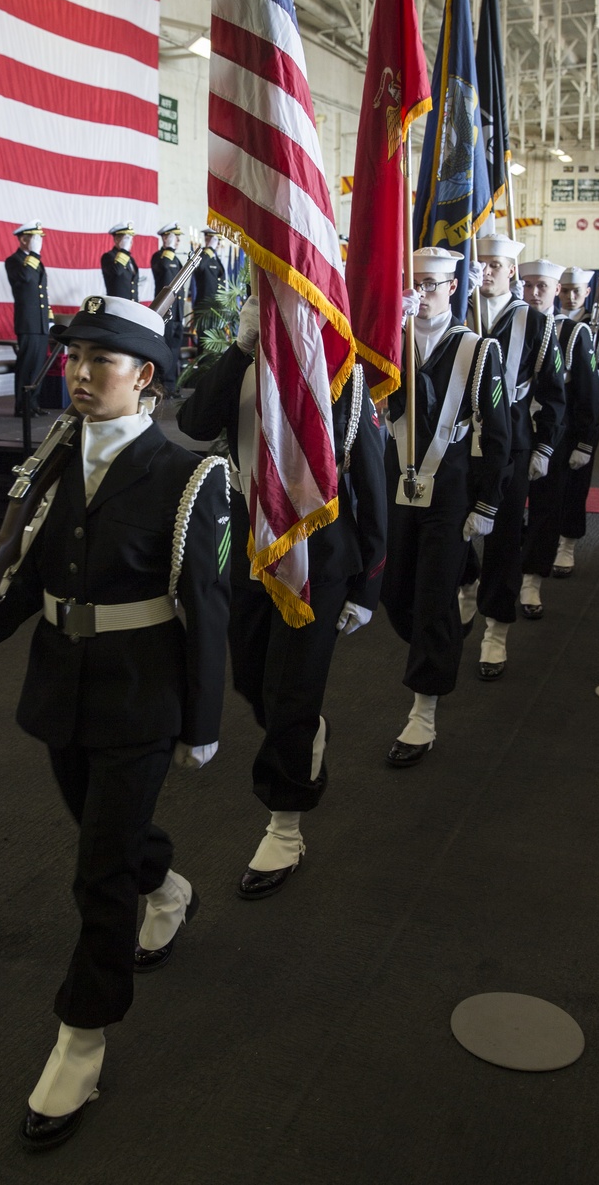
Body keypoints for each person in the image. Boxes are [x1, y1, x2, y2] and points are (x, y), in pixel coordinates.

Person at [0, 295, 230, 1152]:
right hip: (61, 689)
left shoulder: (189, 476)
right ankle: (165, 883)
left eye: (102, 362)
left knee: (96, 872)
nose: (81, 375)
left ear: (147, 378)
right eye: (76, 358)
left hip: (142, 696)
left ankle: (81, 1034)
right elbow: (22, 578)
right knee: (103, 833)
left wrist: (203, 717)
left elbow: (205, 601)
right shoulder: (53, 460)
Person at [177, 294, 388, 892]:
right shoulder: (243, 368)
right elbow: (193, 425)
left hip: (319, 565)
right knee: (252, 680)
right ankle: (303, 730)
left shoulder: (343, 380)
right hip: (249, 552)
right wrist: (241, 349)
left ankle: (284, 826)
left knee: (292, 693)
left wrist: (367, 587)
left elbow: (372, 482)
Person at [382, 248, 511, 765]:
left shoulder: (479, 349)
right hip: (399, 487)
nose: (424, 292)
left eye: (434, 283)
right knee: (395, 595)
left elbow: (495, 433)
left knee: (433, 595)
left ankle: (423, 711)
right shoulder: (390, 343)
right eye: (415, 283)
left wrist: (486, 502)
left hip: (450, 489)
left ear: (454, 287)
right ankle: (448, 622)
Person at [458, 236, 566, 679]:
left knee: (503, 536)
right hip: (456, 442)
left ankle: (497, 628)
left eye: (495, 265)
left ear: (511, 272)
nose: (485, 271)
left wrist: (544, 445)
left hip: (511, 443)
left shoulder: (533, 322)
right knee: (452, 525)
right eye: (479, 264)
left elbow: (554, 392)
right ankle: (467, 584)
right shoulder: (456, 314)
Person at [518, 260, 599, 618]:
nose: (534, 294)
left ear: (555, 291)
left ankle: (531, 580)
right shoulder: (511, 326)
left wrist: (585, 442)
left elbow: (588, 394)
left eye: (543, 287)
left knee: (546, 510)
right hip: (514, 434)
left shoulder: (572, 333)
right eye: (528, 285)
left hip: (556, 436)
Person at [555, 266, 599, 576]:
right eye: (565, 290)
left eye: (576, 291)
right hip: (552, 414)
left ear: (587, 292)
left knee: (576, 484)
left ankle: (568, 543)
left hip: (583, 416)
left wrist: (592, 378)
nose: (570, 296)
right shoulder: (547, 322)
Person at [5, 221, 50, 416]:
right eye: (35, 237)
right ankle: (22, 406)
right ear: (24, 239)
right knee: (26, 365)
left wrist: (49, 318)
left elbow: (42, 292)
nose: (39, 242)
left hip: (39, 321)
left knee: (38, 365)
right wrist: (33, 254)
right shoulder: (14, 260)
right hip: (27, 321)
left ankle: (33, 403)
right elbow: (26, 278)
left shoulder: (36, 261)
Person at [150, 222, 185, 396]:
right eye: (174, 237)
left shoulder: (175, 259)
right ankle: (162, 385)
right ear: (165, 237)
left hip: (177, 312)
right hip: (165, 312)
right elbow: (163, 271)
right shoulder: (160, 257)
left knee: (174, 349)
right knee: (165, 348)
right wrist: (168, 247)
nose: (178, 241)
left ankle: (171, 385)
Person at [191, 229, 226, 335]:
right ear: (207, 239)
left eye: (219, 240)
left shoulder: (215, 259)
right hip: (204, 308)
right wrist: (209, 248)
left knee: (214, 341)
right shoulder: (201, 256)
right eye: (215, 240)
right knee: (204, 340)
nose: (218, 243)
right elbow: (199, 267)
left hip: (216, 307)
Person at [100, 223, 139, 300]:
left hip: (132, 304)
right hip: (117, 305)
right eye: (127, 238)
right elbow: (117, 271)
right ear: (116, 239)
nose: (130, 242)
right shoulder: (108, 257)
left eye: (131, 239)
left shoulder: (130, 258)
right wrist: (123, 250)